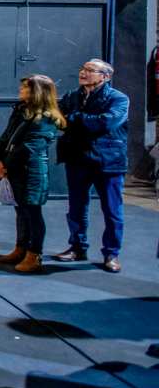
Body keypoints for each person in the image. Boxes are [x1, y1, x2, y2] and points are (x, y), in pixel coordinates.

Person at [56, 59, 130, 273]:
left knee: (112, 210)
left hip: (108, 162)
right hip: (78, 159)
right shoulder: (74, 96)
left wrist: (75, 119)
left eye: (90, 70)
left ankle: (111, 253)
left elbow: (106, 123)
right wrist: (78, 121)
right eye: (83, 69)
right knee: (77, 207)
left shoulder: (118, 99)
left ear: (105, 76)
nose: (84, 73)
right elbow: (58, 118)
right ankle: (77, 247)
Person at [0, 75, 66, 273]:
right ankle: (21, 247)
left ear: (37, 92)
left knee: (32, 213)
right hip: (13, 170)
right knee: (20, 211)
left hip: (31, 172)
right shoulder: (20, 111)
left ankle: (34, 254)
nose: (21, 90)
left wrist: (5, 164)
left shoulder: (46, 118)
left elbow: (30, 147)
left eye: (25, 87)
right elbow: (5, 137)